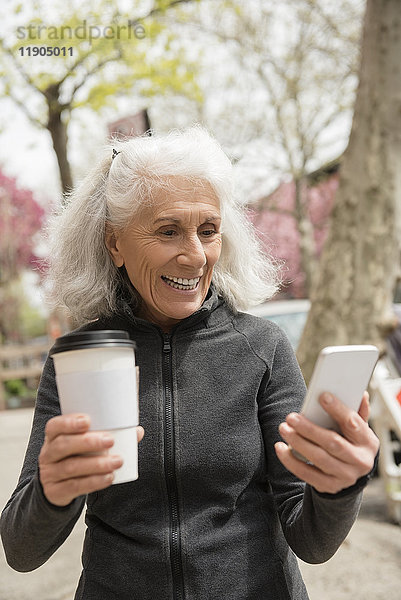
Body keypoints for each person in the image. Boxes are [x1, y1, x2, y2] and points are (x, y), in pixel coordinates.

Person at [1, 127, 379, 600]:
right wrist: (52, 492)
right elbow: (20, 551)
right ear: (114, 243)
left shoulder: (262, 348)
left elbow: (313, 542)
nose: (196, 256)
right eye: (167, 230)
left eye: (208, 230)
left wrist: (339, 487)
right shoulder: (81, 358)